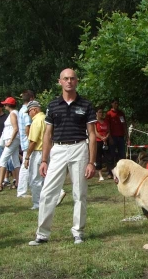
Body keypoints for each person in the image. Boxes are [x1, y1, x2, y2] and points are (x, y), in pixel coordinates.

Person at [29, 68, 97, 246]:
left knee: (79, 193)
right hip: (58, 150)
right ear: (60, 81)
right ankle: (42, 234)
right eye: (65, 79)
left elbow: (92, 134)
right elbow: (47, 135)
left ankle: (78, 232)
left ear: (77, 81)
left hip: (79, 148)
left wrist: (91, 161)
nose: (69, 81)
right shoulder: (52, 105)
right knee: (47, 192)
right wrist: (44, 160)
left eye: (72, 78)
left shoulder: (86, 105)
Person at [24, 100, 57, 210]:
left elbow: (33, 141)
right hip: (49, 151)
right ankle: (53, 197)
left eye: (29, 111)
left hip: (39, 152)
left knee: (35, 178)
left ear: (34, 109)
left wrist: (27, 157)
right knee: (47, 177)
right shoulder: (46, 118)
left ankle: (37, 202)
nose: (29, 114)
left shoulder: (36, 121)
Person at [0, 97, 21, 192]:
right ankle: (18, 182)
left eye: (5, 104)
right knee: (15, 160)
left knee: (3, 160)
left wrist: (10, 140)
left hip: (12, 140)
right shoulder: (14, 113)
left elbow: (15, 128)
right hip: (12, 139)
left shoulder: (13, 114)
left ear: (9, 105)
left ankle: (0, 184)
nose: (4, 106)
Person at [17, 90, 34, 198]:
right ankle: (22, 191)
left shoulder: (21, 110)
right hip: (28, 142)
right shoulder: (27, 111)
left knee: (27, 166)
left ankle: (22, 190)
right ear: (32, 99)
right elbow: (28, 128)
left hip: (24, 142)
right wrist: (32, 140)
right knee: (26, 166)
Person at [0, 101, 13, 185]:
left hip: (7, 140)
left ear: (1, 108)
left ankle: (12, 178)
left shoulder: (7, 117)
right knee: (2, 160)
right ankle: (5, 178)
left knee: (9, 160)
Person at [107, 98, 127, 168]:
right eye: (115, 103)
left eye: (117, 103)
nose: (116, 105)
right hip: (113, 137)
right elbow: (107, 126)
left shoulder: (121, 113)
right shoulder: (109, 114)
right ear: (112, 104)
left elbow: (124, 124)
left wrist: (127, 136)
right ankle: (111, 171)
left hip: (121, 137)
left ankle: (122, 169)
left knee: (122, 154)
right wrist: (110, 137)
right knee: (112, 154)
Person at [95, 106, 112, 182]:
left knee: (108, 157)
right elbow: (95, 132)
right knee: (98, 158)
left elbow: (108, 131)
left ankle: (110, 173)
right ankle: (100, 175)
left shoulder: (105, 122)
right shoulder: (95, 122)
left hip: (106, 141)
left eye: (102, 112)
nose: (101, 114)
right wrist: (102, 138)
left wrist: (106, 137)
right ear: (96, 113)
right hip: (98, 141)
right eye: (99, 112)